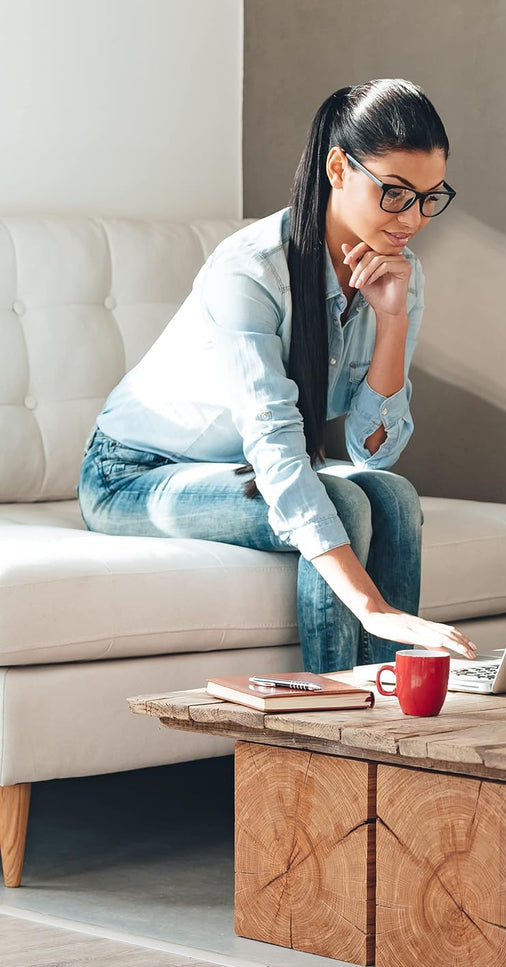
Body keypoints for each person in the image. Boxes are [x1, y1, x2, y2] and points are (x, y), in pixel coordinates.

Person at [78, 79, 476, 672]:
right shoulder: (251, 271)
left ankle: (396, 722)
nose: (413, 218)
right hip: (131, 474)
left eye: (428, 197)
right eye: (394, 193)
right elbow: (276, 445)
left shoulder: (398, 273)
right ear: (338, 168)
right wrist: (372, 607)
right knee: (338, 502)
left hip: (230, 467)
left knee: (391, 496)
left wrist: (392, 320)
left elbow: (376, 454)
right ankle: (328, 728)